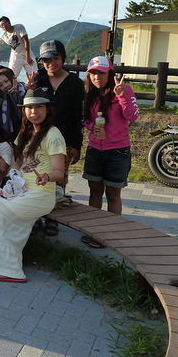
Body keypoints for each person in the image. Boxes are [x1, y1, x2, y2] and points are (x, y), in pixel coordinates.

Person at [0, 88, 66, 282]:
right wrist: (12, 176)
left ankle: (9, 269)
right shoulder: (25, 132)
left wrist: (46, 176)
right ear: (24, 111)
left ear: (47, 109)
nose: (33, 112)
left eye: (38, 107)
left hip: (41, 193)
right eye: (29, 108)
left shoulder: (53, 135)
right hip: (20, 189)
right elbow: (16, 163)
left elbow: (59, 172)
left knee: (0, 213)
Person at [82, 56, 139, 248]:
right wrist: (92, 127)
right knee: (94, 193)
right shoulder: (90, 93)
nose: (96, 77)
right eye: (93, 73)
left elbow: (133, 116)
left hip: (117, 152)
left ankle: (111, 235)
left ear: (109, 73)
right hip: (94, 150)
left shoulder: (124, 90)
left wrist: (122, 95)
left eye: (101, 73)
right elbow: (86, 120)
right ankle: (93, 231)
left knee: (113, 195)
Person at [34, 40, 85, 236]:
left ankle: (53, 219)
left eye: (55, 58)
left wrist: (77, 145)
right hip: (38, 140)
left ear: (63, 58)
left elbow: (78, 117)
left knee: (59, 180)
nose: (51, 63)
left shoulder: (75, 83)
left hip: (64, 142)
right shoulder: (38, 79)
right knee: (37, 177)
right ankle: (35, 215)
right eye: (46, 60)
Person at [0, 68, 25, 140]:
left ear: (13, 79)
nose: (5, 86)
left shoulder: (25, 91)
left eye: (6, 81)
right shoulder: (1, 100)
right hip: (11, 136)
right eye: (0, 85)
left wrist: (15, 95)